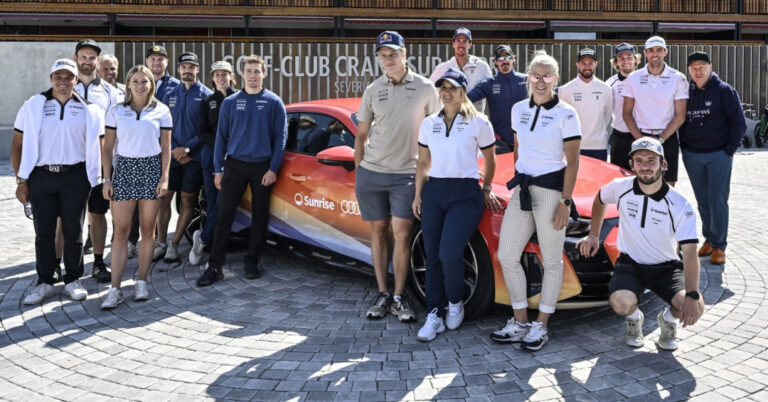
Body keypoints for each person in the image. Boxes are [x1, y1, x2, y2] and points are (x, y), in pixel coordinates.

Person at [490, 50, 581, 352]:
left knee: (552, 261)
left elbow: (573, 162)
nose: (540, 81)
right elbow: (517, 148)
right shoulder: (517, 109)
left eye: (547, 75)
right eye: (535, 75)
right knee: (506, 255)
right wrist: (519, 178)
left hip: (553, 193)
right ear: (528, 76)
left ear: (556, 78)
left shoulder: (566, 113)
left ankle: (540, 325)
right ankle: (519, 320)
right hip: (523, 191)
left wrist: (565, 202)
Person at [577, 137, 705, 350]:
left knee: (695, 304)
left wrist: (692, 294)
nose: (645, 166)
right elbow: (600, 199)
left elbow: (690, 254)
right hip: (631, 263)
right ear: (632, 165)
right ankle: (634, 320)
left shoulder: (680, 204)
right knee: (620, 302)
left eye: (651, 161)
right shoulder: (621, 187)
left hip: (667, 267)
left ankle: (669, 321)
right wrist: (593, 234)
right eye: (639, 160)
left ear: (663, 165)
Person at [354, 31, 440, 322]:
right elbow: (361, 136)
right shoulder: (373, 89)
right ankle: (382, 293)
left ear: (405, 54)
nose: (388, 59)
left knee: (401, 235)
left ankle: (401, 296)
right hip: (372, 173)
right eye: (382, 55)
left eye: (393, 53)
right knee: (378, 233)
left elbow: (438, 131)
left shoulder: (426, 87)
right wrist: (359, 169)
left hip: (407, 174)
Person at [412, 69, 501, 341]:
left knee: (450, 252)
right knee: (432, 254)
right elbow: (423, 163)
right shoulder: (429, 123)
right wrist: (418, 195)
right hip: (435, 190)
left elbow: (491, 159)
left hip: (465, 193)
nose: (446, 92)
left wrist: (486, 187)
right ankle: (434, 314)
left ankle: (455, 302)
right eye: (442, 88)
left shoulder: (479, 122)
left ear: (463, 91)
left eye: (452, 87)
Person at [11, 58, 103, 305]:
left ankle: (73, 279)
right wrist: (21, 179)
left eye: (68, 77)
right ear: (51, 78)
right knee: (44, 233)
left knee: (74, 231)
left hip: (75, 176)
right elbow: (18, 145)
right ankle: (45, 281)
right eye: (58, 76)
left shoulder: (88, 110)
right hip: (42, 176)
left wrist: (98, 177)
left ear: (76, 80)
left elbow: (100, 145)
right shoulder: (33, 106)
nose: (63, 81)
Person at [206, 54, 286, 281]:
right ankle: (214, 266)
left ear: (264, 73)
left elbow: (280, 139)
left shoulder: (274, 102)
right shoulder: (230, 103)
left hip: (262, 168)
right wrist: (218, 169)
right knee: (224, 216)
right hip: (234, 166)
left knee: (259, 217)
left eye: (257, 71)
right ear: (241, 74)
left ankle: (252, 261)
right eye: (249, 71)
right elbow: (221, 138)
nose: (253, 75)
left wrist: (273, 169)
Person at [100, 65, 172, 309]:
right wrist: (106, 179)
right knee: (120, 231)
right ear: (128, 84)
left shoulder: (161, 110)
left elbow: (166, 148)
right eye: (136, 81)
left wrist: (164, 178)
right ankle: (115, 288)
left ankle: (141, 281)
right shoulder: (116, 111)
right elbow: (108, 147)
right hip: (124, 171)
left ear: (152, 84)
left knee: (147, 230)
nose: (141, 85)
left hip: (151, 170)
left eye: (145, 81)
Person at [680, 51, 746, 265]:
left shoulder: (724, 91)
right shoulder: (685, 91)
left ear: (711, 67)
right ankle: (708, 239)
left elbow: (739, 124)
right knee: (703, 201)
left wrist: (728, 151)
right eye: (693, 68)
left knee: (717, 201)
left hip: (718, 154)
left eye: (702, 67)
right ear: (689, 70)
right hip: (692, 155)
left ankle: (719, 246)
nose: (698, 71)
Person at [73, 39, 122, 283]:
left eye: (92, 57)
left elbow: (116, 129)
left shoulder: (110, 92)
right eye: (83, 56)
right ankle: (65, 265)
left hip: (101, 164)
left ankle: (99, 262)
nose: (87, 61)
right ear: (75, 59)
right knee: (67, 217)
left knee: (98, 213)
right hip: (71, 163)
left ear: (97, 61)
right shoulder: (63, 86)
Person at [159, 52, 213, 263]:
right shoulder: (169, 93)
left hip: (194, 158)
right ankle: (161, 243)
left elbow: (207, 129)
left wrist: (187, 149)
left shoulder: (207, 95)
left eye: (192, 67)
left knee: (187, 199)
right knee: (164, 199)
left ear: (197, 70)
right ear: (179, 69)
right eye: (184, 67)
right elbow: (162, 125)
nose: (187, 71)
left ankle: (174, 245)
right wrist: (174, 150)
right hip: (172, 157)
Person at [191, 61, 238, 282]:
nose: (221, 78)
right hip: (211, 158)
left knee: (222, 205)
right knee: (212, 204)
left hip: (234, 159)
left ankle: (202, 239)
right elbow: (202, 132)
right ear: (212, 77)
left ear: (231, 76)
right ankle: (211, 243)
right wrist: (220, 144)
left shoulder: (239, 98)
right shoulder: (206, 102)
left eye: (224, 74)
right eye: (217, 74)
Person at [622, 36, 688, 186]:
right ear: (645, 53)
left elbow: (680, 115)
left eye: (659, 50)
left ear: (666, 52)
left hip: (667, 138)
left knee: (668, 185)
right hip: (641, 136)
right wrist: (640, 140)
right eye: (651, 50)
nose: (655, 54)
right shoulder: (633, 78)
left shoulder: (678, 78)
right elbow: (626, 113)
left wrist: (661, 140)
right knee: (640, 183)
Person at [468, 44, 527, 153]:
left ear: (513, 59)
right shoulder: (489, 83)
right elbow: (466, 99)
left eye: (508, 57)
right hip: (500, 143)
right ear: (495, 62)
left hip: (525, 142)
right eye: (500, 58)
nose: (504, 61)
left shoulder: (526, 80)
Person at [558, 48, 613, 161]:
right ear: (577, 64)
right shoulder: (565, 89)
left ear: (596, 64)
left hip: (598, 146)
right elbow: (562, 119)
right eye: (583, 63)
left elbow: (607, 116)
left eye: (590, 63)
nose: (587, 66)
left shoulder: (606, 89)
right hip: (574, 145)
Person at [430, 27, 492, 112]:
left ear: (470, 44)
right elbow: (430, 92)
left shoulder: (481, 66)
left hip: (474, 119)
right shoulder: (443, 68)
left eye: (464, 41)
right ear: (453, 44)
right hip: (450, 120)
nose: (461, 44)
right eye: (458, 40)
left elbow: (491, 90)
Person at [605, 43, 641, 170]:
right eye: (621, 58)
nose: (626, 61)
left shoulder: (645, 79)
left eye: (629, 57)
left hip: (642, 134)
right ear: (616, 62)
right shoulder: (610, 84)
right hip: (620, 136)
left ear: (635, 59)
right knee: (619, 177)